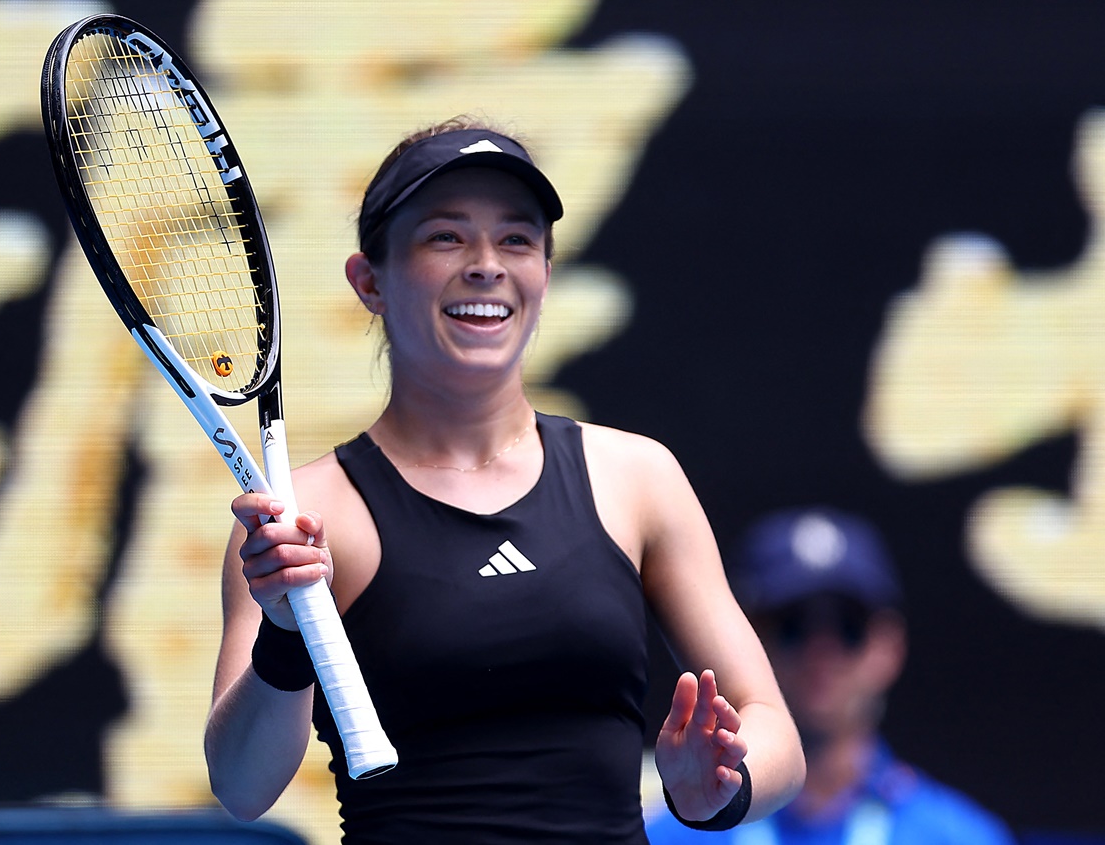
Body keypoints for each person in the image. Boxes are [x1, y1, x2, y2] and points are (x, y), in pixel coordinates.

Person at [203, 115, 805, 843]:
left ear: (545, 276)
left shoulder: (637, 476)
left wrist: (719, 788)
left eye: (516, 239)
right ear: (370, 281)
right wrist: (283, 635)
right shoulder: (301, 517)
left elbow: (773, 731)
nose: (487, 263)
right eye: (446, 237)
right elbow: (241, 787)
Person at [646, 506, 1017, 845]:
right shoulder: (666, 839)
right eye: (793, 625)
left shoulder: (964, 838)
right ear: (745, 641)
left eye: (848, 626)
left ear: (889, 648)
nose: (820, 651)